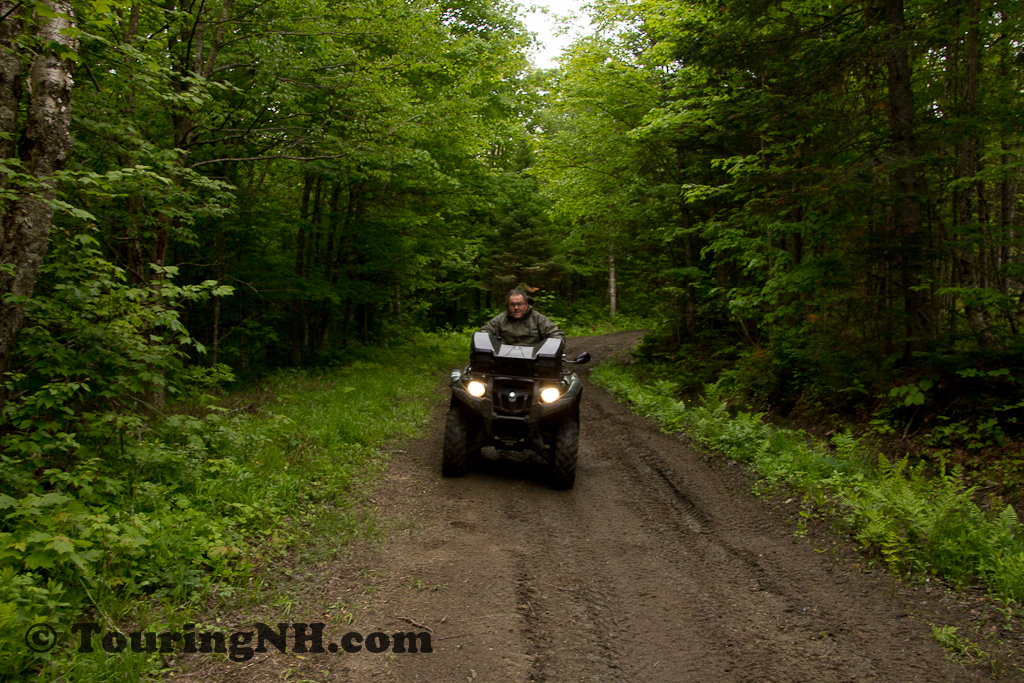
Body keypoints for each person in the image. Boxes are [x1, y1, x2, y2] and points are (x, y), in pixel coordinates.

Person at [480, 289, 566, 346]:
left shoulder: (538, 319)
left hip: (534, 360)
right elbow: (483, 334)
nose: (516, 308)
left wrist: (550, 347)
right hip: (504, 358)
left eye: (520, 304)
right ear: (507, 306)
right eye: (512, 305)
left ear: (526, 304)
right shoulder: (500, 320)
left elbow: (557, 334)